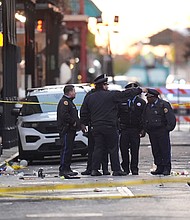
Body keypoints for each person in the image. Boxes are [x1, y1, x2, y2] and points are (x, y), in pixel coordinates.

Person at [80, 74, 145, 176]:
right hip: (110, 126)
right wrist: (139, 90)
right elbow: (125, 94)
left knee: (98, 148)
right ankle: (116, 170)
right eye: (106, 84)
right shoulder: (111, 95)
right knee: (113, 148)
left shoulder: (90, 97)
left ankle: (94, 169)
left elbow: (84, 112)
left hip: (96, 127)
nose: (108, 86)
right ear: (103, 85)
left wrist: (83, 123)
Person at [142, 88, 176, 176]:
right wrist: (146, 129)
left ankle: (166, 168)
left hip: (162, 131)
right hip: (152, 131)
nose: (147, 99)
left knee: (164, 149)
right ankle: (159, 167)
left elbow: (170, 118)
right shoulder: (147, 106)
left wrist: (168, 129)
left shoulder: (163, 105)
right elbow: (144, 118)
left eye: (149, 97)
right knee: (156, 150)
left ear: (154, 97)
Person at [118, 82, 146, 175]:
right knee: (124, 149)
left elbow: (144, 117)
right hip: (124, 128)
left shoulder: (141, 102)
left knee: (135, 150)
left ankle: (134, 168)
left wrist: (143, 129)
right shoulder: (122, 101)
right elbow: (117, 115)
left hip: (135, 129)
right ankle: (125, 167)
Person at [80, 89, 110, 176]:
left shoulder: (103, 95)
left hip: (97, 125)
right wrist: (83, 123)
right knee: (94, 148)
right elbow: (84, 110)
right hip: (94, 125)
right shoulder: (91, 95)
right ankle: (92, 168)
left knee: (101, 148)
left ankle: (103, 168)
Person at [57, 85, 81, 177]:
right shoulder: (65, 102)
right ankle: (63, 169)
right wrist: (73, 122)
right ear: (70, 92)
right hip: (67, 129)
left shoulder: (69, 102)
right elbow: (64, 115)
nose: (75, 93)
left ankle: (67, 168)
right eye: (74, 91)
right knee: (66, 149)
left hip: (71, 130)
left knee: (69, 149)